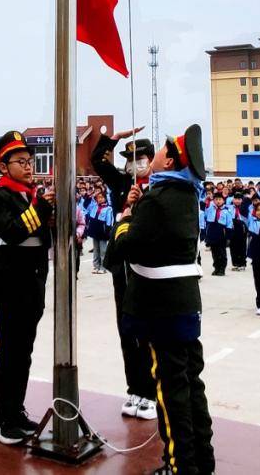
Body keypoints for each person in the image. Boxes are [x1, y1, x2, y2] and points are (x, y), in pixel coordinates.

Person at [105, 125, 215, 475]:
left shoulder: (158, 198)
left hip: (159, 308)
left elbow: (119, 250)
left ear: (170, 161)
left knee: (171, 391)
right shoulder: (185, 195)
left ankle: (180, 464)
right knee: (191, 383)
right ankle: (201, 460)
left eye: (163, 150)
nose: (153, 157)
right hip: (184, 304)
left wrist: (126, 217)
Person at [0, 130, 53, 445]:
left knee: (23, 353)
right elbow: (11, 233)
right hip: (8, 287)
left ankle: (16, 411)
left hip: (32, 284)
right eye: (20, 161)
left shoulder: (33, 196)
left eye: (30, 161)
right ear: (3, 165)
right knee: (4, 352)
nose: (28, 167)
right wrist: (40, 210)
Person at [90, 126, 158, 422]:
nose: (134, 163)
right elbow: (97, 162)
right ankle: (135, 388)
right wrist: (112, 139)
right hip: (122, 266)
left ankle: (152, 393)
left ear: (151, 159)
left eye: (140, 158)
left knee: (149, 332)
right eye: (129, 158)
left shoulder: (159, 185)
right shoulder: (120, 182)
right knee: (127, 330)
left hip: (148, 267)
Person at [86, 190, 114, 274]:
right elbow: (86, 205)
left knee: (103, 250)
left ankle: (103, 267)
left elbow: (109, 221)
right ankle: (96, 266)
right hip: (95, 229)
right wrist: (90, 195)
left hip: (103, 230)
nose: (100, 199)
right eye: (98, 198)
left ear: (105, 198)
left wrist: (108, 230)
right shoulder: (94, 206)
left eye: (102, 197)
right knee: (96, 250)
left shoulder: (108, 208)